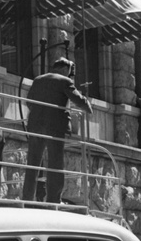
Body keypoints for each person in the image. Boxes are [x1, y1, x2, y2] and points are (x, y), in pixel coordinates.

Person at [21, 57, 92, 204]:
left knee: (33, 163)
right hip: (55, 127)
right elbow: (78, 100)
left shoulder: (38, 79)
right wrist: (88, 107)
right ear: (65, 69)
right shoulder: (65, 81)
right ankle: (53, 199)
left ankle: (27, 198)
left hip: (35, 125)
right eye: (70, 71)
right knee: (55, 163)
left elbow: (29, 101)